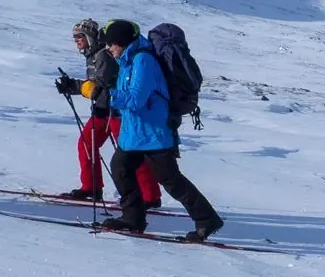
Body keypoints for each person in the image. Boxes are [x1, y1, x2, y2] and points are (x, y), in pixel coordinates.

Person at [96, 20, 225, 242]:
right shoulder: (128, 62)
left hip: (153, 134)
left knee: (170, 180)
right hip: (135, 134)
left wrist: (106, 96)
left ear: (122, 42)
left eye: (111, 44)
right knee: (121, 168)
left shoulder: (143, 61)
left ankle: (207, 219)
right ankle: (133, 218)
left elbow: (136, 100)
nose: (109, 49)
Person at [52, 19, 159, 205]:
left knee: (130, 153)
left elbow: (99, 86)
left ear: (90, 37)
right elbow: (95, 88)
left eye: (80, 36)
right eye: (75, 37)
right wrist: (73, 86)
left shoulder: (103, 55)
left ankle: (149, 196)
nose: (76, 40)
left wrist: (74, 86)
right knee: (87, 144)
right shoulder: (94, 55)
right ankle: (91, 187)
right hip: (103, 111)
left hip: (116, 112)